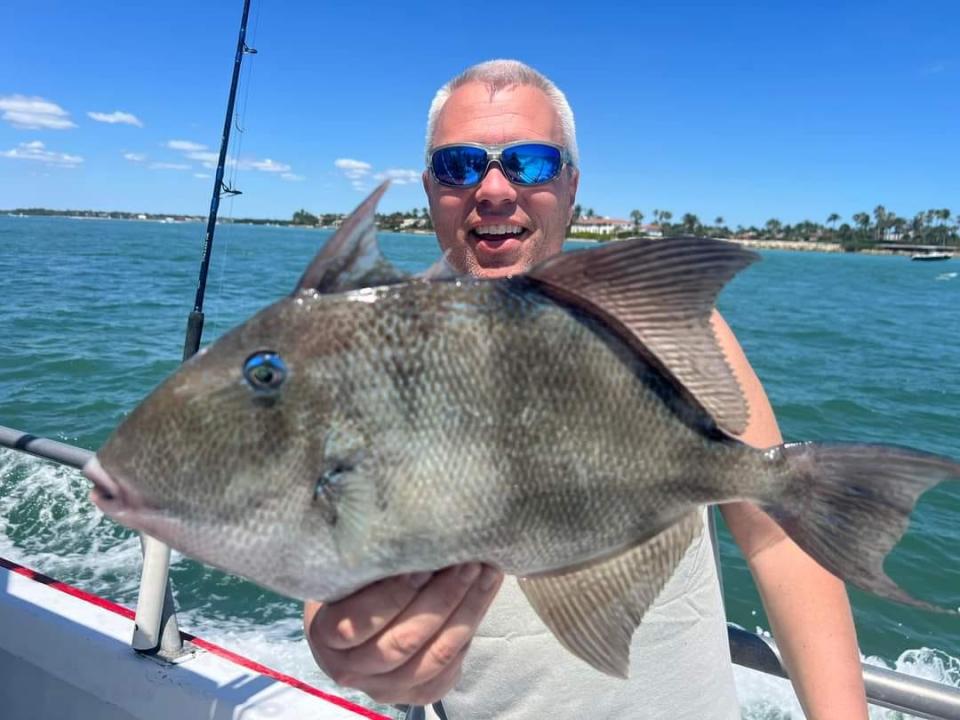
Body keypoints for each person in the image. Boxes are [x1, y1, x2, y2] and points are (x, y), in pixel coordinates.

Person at [304, 59, 869, 719]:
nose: (492, 189)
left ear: (570, 186)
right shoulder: (372, 353)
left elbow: (779, 535)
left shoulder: (662, 321)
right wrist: (349, 645)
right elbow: (322, 560)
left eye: (532, 163)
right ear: (431, 188)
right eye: (460, 165)